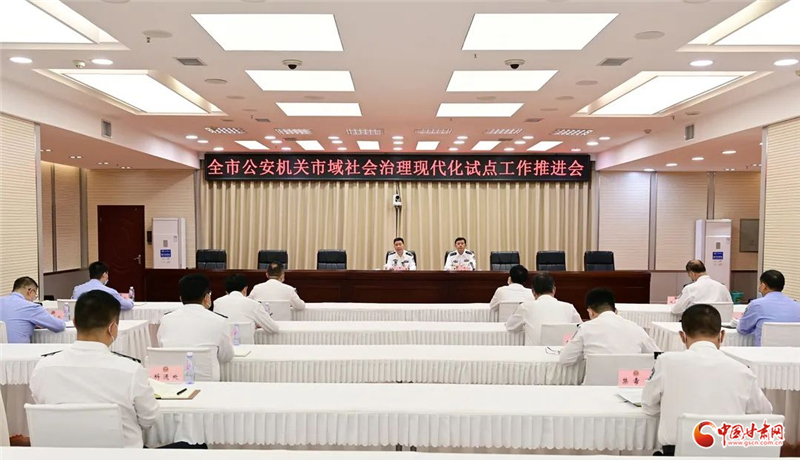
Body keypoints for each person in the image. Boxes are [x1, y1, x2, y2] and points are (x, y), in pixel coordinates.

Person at [30, 290, 159, 448]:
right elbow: (149, 419)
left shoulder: (43, 368)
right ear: (112, 328)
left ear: (74, 322)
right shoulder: (131, 370)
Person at [643, 304, 772, 456]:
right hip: (729, 454)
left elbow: (649, 406)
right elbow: (764, 412)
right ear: (722, 335)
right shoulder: (742, 370)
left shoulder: (665, 362)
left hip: (676, 453)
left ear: (682, 336)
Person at [157, 274, 234, 382]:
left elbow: (162, 347)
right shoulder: (220, 321)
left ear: (181, 298)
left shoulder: (166, 319)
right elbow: (226, 356)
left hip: (171, 381)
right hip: (209, 384)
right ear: (206, 297)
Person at [559, 288, 659, 365]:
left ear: (590, 312)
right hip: (628, 384)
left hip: (594, 385)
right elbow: (658, 356)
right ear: (616, 310)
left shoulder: (585, 328)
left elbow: (565, 360)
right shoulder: (636, 328)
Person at [506, 272, 581, 346]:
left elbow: (510, 327)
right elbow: (580, 329)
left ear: (533, 292)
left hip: (534, 353)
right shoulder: (569, 307)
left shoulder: (525, 307)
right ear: (554, 290)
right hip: (561, 352)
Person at [736, 270, 800, 346]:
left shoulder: (756, 305)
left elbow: (742, 329)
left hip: (764, 352)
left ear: (763, 286)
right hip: (793, 352)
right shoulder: (797, 306)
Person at [0, 276, 65, 343]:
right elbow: (59, 326)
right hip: (19, 349)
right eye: (35, 295)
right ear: (30, 291)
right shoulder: (30, 307)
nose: (34, 299)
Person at [214, 274, 279, 333]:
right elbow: (274, 328)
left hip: (223, 342)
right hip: (247, 342)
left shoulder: (217, 303)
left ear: (226, 291)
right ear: (245, 289)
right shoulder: (253, 304)